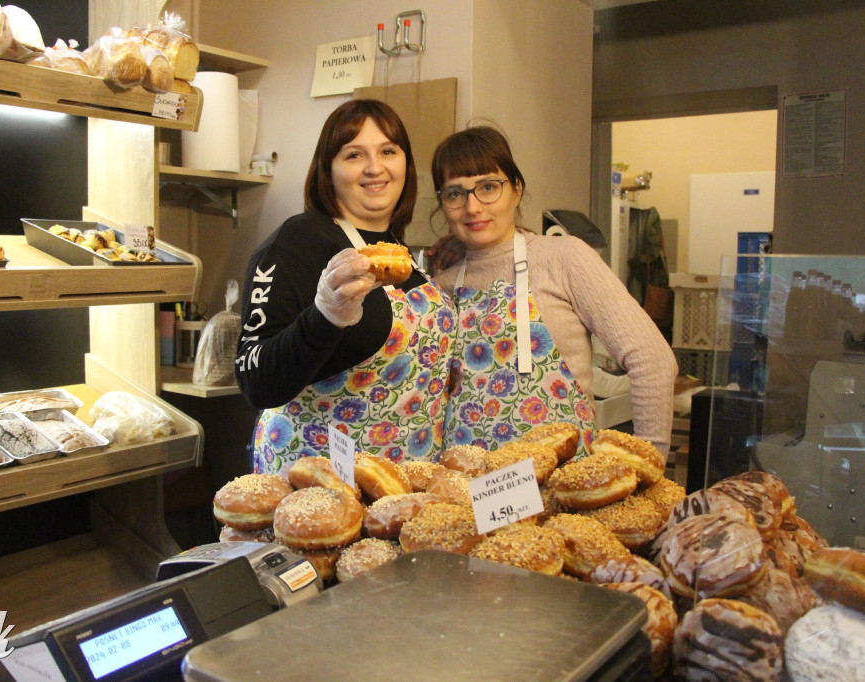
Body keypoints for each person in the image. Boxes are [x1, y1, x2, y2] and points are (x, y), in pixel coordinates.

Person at [235, 99, 458, 477]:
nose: (375, 168)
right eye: (354, 155)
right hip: (318, 484)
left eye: (388, 151)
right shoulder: (298, 241)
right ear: (328, 169)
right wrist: (324, 317)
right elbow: (255, 381)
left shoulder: (397, 248)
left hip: (400, 487)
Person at [428, 125, 677, 457]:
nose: (472, 207)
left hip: (564, 493)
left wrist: (650, 466)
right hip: (470, 495)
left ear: (516, 190)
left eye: (489, 187)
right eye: (456, 193)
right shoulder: (440, 288)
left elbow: (653, 361)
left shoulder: (564, 258)